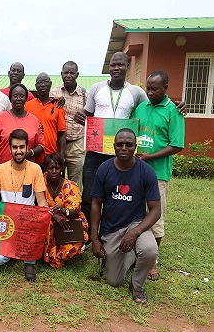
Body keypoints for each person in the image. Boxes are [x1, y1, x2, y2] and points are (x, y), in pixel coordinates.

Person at [75, 52, 185, 230]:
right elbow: (87, 114)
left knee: (117, 198)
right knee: (89, 197)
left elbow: (156, 103)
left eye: (121, 65)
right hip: (95, 152)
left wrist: (178, 104)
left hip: (121, 155)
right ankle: (88, 236)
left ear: (127, 67)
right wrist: (81, 115)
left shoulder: (137, 92)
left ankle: (110, 231)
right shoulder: (96, 88)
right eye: (113, 65)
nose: (116, 68)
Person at [91, 128, 161, 304]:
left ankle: (137, 286)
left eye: (129, 145)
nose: (124, 148)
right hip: (111, 228)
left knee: (149, 250)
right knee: (114, 281)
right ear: (113, 146)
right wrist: (95, 239)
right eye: (120, 144)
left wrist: (134, 232)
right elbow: (96, 204)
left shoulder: (146, 172)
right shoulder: (104, 169)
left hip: (136, 224)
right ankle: (129, 255)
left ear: (135, 148)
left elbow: (155, 210)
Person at [132, 70, 185, 281]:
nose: (150, 92)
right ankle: (136, 253)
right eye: (148, 88)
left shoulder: (174, 111)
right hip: (137, 170)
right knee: (137, 213)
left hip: (158, 173)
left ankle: (152, 261)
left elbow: (176, 144)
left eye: (155, 89)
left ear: (166, 89)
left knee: (156, 216)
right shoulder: (141, 107)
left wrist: (150, 157)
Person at [0, 129, 48, 281]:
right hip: (6, 223)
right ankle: (12, 250)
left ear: (27, 148)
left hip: (27, 224)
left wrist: (46, 213)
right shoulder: (0, 169)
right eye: (15, 147)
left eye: (22, 147)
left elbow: (41, 200)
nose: (18, 151)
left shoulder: (35, 169)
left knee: (33, 244)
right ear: (10, 148)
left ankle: (29, 262)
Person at [42, 153, 88, 268]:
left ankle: (61, 253)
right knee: (47, 224)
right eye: (50, 168)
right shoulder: (41, 183)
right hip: (47, 219)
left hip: (67, 221)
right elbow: (36, 206)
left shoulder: (70, 186)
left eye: (57, 168)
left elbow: (74, 212)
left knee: (72, 247)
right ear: (45, 169)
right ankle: (46, 253)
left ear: (62, 169)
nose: (53, 171)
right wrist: (54, 215)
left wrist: (62, 211)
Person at [50, 61, 88, 188]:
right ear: (61, 74)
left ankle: (74, 207)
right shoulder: (54, 93)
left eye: (72, 73)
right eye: (66, 72)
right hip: (57, 144)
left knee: (75, 183)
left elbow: (92, 117)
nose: (68, 75)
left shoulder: (84, 95)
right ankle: (56, 206)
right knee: (55, 180)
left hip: (76, 144)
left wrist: (85, 120)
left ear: (77, 74)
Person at [0, 83, 44, 164]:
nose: (18, 98)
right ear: (10, 99)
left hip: (27, 168)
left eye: (22, 96)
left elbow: (41, 145)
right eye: (15, 96)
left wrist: (31, 153)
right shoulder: (1, 118)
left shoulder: (34, 120)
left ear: (26, 98)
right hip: (4, 168)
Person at [25, 72, 66, 159]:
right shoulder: (28, 106)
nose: (43, 84)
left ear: (50, 84)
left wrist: (62, 155)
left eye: (45, 82)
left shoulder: (58, 106)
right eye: (40, 82)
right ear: (36, 86)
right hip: (32, 156)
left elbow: (61, 133)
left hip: (51, 156)